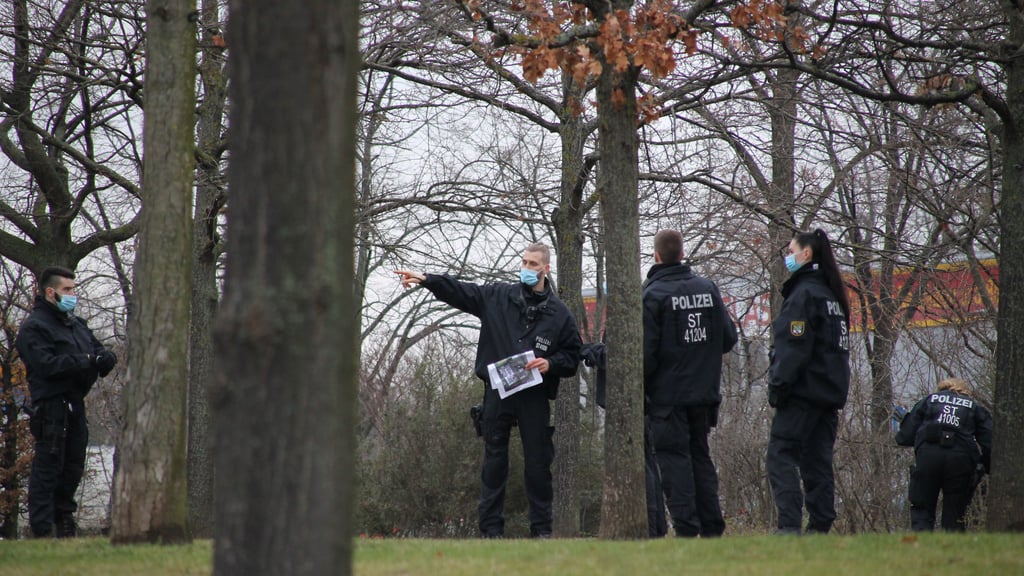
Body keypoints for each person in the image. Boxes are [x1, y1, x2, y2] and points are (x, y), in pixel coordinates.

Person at [395, 242, 582, 538]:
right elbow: (462, 291)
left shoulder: (559, 315)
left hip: (534, 396)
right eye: (524, 262)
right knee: (494, 462)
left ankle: (542, 532)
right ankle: (491, 531)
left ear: (546, 269)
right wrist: (428, 280)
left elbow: (573, 356)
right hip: (497, 391)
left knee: (538, 464)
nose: (526, 268)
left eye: (533, 264)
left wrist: (551, 363)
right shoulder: (498, 296)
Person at [643, 229, 738, 538]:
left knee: (674, 461)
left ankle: (686, 529)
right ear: (682, 254)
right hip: (704, 394)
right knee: (700, 456)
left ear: (656, 256)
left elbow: (646, 355)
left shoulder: (652, 295)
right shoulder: (707, 289)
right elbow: (728, 338)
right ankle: (712, 527)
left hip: (667, 399)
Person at [15, 266, 118, 538]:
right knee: (48, 468)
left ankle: (65, 522)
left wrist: (105, 358)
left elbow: (97, 350)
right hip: (51, 406)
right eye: (67, 290)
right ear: (51, 292)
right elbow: (48, 365)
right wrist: (86, 361)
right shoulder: (34, 328)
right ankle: (42, 529)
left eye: (74, 289)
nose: (73, 295)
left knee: (73, 466)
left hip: (75, 403)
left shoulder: (76, 325)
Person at [766, 229, 850, 535]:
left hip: (803, 394)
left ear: (806, 254)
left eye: (791, 251)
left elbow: (793, 349)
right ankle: (820, 525)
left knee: (780, 455)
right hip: (828, 395)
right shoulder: (832, 296)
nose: (787, 257)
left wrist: (778, 386)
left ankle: (789, 526)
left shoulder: (804, 296)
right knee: (817, 462)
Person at [895, 377, 993, 532]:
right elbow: (990, 443)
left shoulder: (929, 400)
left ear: (941, 389)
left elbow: (905, 436)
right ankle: (951, 544)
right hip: (960, 461)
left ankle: (920, 543)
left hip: (928, 458)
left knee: (922, 510)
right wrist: (985, 465)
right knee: (954, 514)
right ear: (964, 391)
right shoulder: (974, 407)